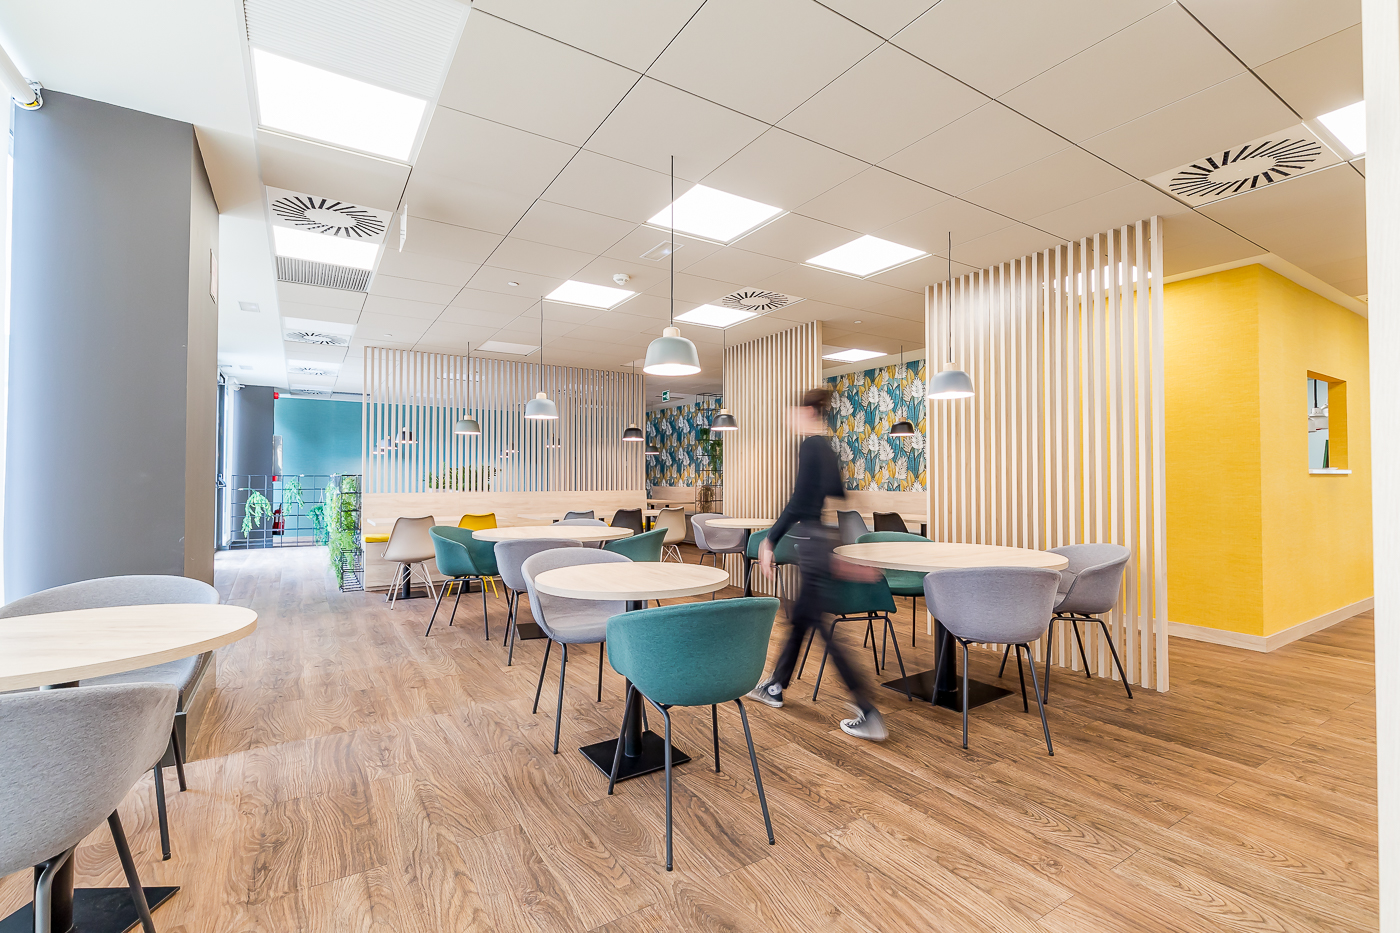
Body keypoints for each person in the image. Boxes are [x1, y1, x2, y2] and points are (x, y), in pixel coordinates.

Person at [746, 387, 887, 741]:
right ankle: (775, 686)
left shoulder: (810, 446)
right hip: (821, 538)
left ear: (807, 412)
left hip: (810, 541)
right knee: (802, 621)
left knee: (820, 628)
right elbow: (837, 491)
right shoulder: (827, 448)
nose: (791, 418)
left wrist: (770, 539)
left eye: (794, 412)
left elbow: (799, 502)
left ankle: (868, 711)